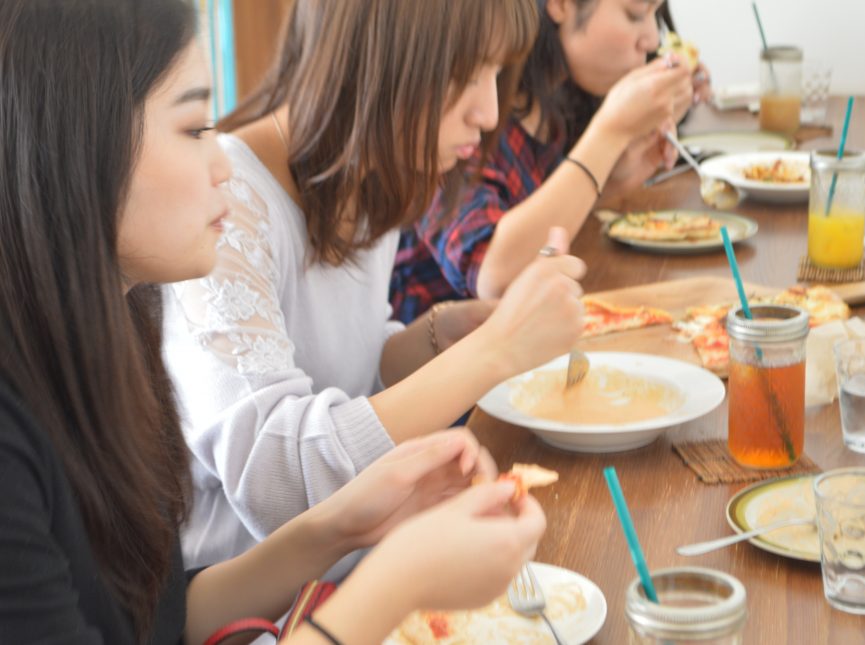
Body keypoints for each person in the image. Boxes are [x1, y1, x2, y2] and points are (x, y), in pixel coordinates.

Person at [0, 1, 545, 643]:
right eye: (194, 128)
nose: (226, 165)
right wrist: (399, 577)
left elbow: (164, 617)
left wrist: (347, 525)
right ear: (75, 141)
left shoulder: (115, 336)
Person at [162, 0, 583, 571]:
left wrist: (438, 334)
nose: (488, 112)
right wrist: (493, 351)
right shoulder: (230, 203)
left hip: (370, 562)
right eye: (465, 75)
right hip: (264, 611)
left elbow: (348, 368)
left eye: (495, 75)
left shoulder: (369, 176)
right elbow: (274, 482)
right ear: (376, 60)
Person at [391, 0, 696, 323]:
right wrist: (609, 135)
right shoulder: (455, 118)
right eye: (635, 14)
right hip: (432, 358)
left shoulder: (553, 105)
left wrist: (610, 182)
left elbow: (541, 231)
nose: (651, 39)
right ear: (561, 5)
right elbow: (494, 276)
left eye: (655, 15)